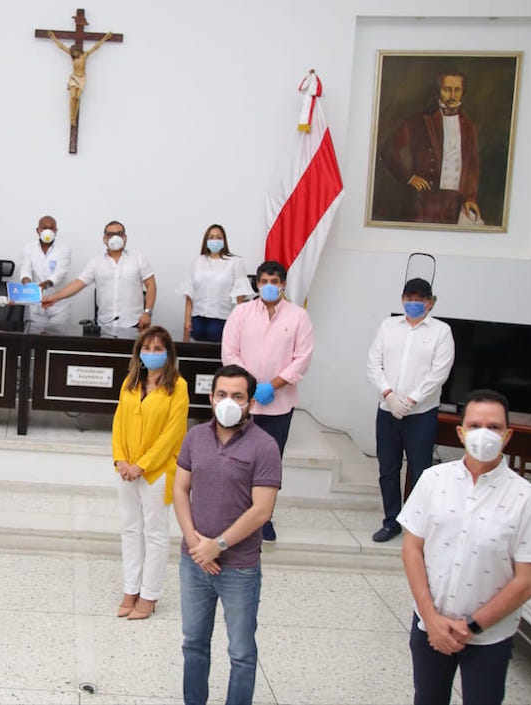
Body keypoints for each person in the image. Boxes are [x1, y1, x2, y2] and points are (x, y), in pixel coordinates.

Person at [399, 389, 531, 705]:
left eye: (494, 427)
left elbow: (529, 581)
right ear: (461, 432)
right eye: (475, 425)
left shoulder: (529, 501)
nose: (484, 433)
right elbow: (412, 549)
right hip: (429, 625)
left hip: (489, 636)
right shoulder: (432, 480)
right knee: (427, 698)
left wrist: (470, 627)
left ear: (507, 435)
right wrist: (431, 617)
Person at [172, 364, 282, 705]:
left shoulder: (265, 446)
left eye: (237, 396)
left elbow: (262, 511)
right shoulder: (195, 437)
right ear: (211, 397)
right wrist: (194, 541)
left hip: (239, 567)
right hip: (194, 561)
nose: (228, 402)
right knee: (193, 642)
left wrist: (217, 546)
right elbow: (179, 489)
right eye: (222, 395)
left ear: (250, 402)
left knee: (241, 652)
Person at [221, 260, 313, 542]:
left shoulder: (299, 317)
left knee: (269, 463)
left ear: (283, 284)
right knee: (236, 459)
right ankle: (234, 516)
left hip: (278, 404)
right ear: (257, 284)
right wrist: (248, 387)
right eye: (264, 282)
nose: (269, 287)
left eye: (275, 282)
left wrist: (273, 385)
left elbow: (302, 358)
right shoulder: (241, 313)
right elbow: (230, 353)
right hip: (242, 403)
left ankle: (264, 518)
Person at [366, 277, 455, 543]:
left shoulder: (441, 331)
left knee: (420, 470)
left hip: (422, 413)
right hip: (387, 408)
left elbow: (439, 372)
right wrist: (390, 395)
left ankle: (416, 525)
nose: (414, 303)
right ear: (402, 299)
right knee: (388, 469)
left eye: (420, 300)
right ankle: (391, 520)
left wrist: (412, 400)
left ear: (430, 302)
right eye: (409, 298)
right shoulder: (388, 326)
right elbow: (374, 364)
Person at [111, 325, 189, 620]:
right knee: (130, 529)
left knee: (155, 533)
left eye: (158, 349)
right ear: (139, 353)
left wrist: (142, 464)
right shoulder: (131, 382)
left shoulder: (177, 386)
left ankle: (149, 595)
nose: (152, 354)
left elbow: (173, 433)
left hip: (156, 472)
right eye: (147, 348)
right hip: (125, 470)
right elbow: (118, 422)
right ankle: (130, 589)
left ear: (168, 353)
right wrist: (120, 460)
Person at [379, 71, 481, 224]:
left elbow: (472, 165)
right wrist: (410, 177)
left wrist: (470, 197)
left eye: (457, 89)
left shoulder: (468, 126)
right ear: (438, 90)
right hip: (425, 201)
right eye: (447, 89)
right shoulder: (420, 121)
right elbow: (388, 151)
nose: (452, 95)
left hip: (456, 201)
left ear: (463, 91)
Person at [42, 220, 156, 329]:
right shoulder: (96, 262)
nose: (115, 237)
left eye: (119, 234)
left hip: (135, 323)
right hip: (105, 324)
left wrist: (147, 312)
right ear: (104, 239)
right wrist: (54, 298)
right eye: (110, 234)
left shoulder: (139, 258)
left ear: (125, 237)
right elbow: (78, 283)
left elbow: (151, 285)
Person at [177, 224, 253, 342]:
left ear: (224, 240)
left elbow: (240, 299)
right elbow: (189, 294)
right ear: (206, 240)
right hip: (198, 316)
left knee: (214, 335)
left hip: (222, 317)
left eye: (218, 237)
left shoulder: (235, 262)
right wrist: (187, 321)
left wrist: (238, 325)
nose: (215, 240)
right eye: (211, 237)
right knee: (196, 341)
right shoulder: (197, 262)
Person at [47, 31, 114, 126]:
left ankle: (74, 117)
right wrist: (53, 38)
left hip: (82, 78)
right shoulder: (72, 56)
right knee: (72, 97)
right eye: (72, 53)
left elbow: (96, 47)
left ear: (78, 51)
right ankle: (71, 117)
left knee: (77, 98)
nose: (73, 54)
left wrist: (105, 38)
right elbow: (61, 46)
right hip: (74, 77)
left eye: (74, 52)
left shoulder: (84, 55)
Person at [19, 215, 72, 325]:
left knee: (57, 340)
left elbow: (60, 273)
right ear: (38, 230)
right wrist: (26, 282)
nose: (47, 231)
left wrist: (44, 285)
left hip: (59, 306)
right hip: (36, 305)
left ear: (56, 230)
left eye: (51, 228)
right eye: (44, 228)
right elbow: (25, 270)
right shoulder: (28, 247)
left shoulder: (64, 248)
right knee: (35, 339)